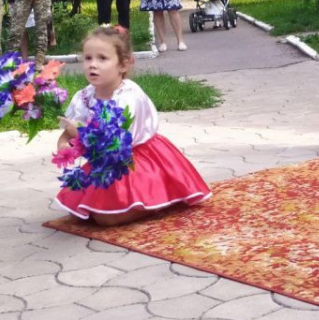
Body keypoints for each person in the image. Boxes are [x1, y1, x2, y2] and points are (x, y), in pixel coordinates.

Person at [54, 26, 211, 226]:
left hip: (136, 158)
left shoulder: (128, 96)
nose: (93, 65)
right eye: (88, 58)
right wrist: (64, 142)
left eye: (102, 59)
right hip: (104, 159)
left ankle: (155, 203)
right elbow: (70, 127)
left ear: (123, 65)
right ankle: (128, 204)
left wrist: (81, 133)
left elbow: (116, 142)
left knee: (106, 218)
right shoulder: (85, 95)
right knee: (77, 212)